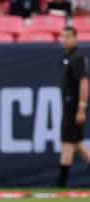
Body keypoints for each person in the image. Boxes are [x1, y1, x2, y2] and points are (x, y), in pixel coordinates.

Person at [58, 26, 90, 187]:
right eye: (62, 36)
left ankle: (61, 184)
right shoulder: (68, 57)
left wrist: (81, 108)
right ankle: (61, 183)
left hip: (74, 107)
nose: (64, 40)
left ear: (75, 38)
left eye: (67, 36)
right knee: (77, 144)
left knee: (68, 143)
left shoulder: (77, 58)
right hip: (69, 106)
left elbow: (84, 82)